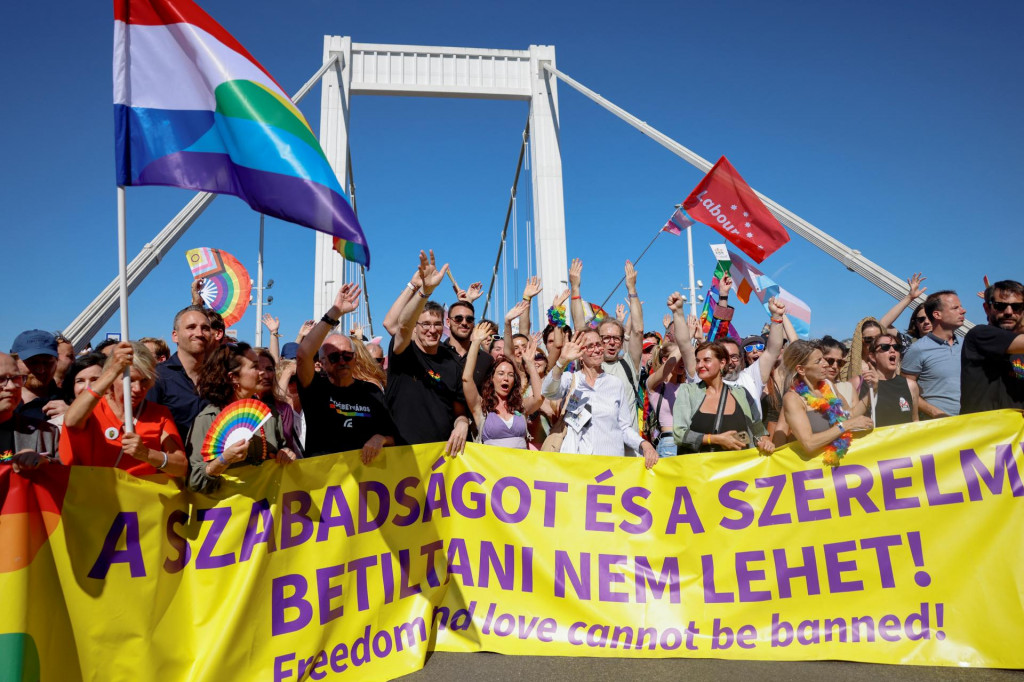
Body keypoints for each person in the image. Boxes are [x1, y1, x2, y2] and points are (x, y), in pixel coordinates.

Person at [297, 283, 400, 462]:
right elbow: (303, 355)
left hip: (366, 482)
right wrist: (335, 312)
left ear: (355, 358)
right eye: (335, 357)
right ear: (322, 362)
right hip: (325, 482)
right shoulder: (315, 389)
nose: (342, 361)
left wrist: (380, 439)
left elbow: (394, 436)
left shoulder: (372, 391)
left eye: (347, 355)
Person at [384, 251, 471, 453]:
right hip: (401, 455)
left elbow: (458, 410)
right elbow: (401, 326)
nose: (432, 330)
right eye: (425, 324)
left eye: (437, 324)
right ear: (415, 327)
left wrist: (462, 423)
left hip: (440, 458)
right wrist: (423, 290)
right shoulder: (403, 352)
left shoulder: (451, 361)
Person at [61, 342, 187, 477]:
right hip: (95, 495)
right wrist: (112, 370)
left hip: (141, 496)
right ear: (112, 378)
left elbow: (181, 467)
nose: (138, 388)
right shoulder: (91, 410)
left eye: (144, 380)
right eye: (130, 380)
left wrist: (147, 454)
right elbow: (71, 421)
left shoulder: (159, 414)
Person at [188, 343, 298, 493]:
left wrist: (285, 453)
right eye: (254, 367)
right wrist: (223, 461)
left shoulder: (270, 414)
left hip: (267, 509)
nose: (262, 373)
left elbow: (282, 447)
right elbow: (195, 481)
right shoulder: (208, 419)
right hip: (227, 511)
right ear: (233, 377)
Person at [542, 329, 658, 468]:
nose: (597, 349)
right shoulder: (571, 380)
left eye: (599, 344)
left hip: (610, 466)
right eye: (590, 346)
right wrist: (561, 362)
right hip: (577, 466)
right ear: (580, 354)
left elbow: (624, 427)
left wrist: (644, 444)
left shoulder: (615, 384)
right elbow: (548, 391)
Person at [671, 341, 774, 456]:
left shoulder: (742, 394)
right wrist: (716, 439)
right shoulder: (688, 392)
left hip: (738, 469)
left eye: (706, 360)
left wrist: (764, 440)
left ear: (722, 363)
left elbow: (758, 429)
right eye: (698, 361)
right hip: (701, 471)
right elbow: (679, 434)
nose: (700, 365)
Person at [781, 341, 873, 465]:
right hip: (813, 469)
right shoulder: (793, 398)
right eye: (818, 361)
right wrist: (846, 426)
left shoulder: (828, 385)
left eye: (823, 359)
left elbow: (849, 415)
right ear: (801, 369)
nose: (825, 364)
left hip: (838, 465)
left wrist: (873, 390)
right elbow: (809, 443)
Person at [463, 326, 544, 448]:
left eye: (510, 374)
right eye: (500, 373)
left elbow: (538, 398)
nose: (506, 378)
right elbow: (467, 379)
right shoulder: (481, 407)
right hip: (492, 466)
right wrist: (475, 343)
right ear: (492, 378)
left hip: (521, 465)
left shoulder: (520, 406)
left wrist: (530, 363)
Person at [148, 305, 213, 440]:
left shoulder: (219, 377)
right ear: (175, 336)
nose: (199, 333)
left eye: (205, 328)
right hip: (172, 458)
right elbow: (149, 428)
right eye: (191, 327)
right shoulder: (157, 377)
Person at [718, 297, 788, 421]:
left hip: (750, 438)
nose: (729, 361)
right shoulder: (708, 379)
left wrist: (777, 317)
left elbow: (773, 350)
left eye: (734, 356)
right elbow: (686, 346)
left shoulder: (750, 377)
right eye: (724, 357)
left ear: (740, 358)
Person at [960, 280, 1024, 414]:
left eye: (1017, 307)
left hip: (1016, 432)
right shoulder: (979, 334)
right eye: (1000, 306)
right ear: (987, 308)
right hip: (983, 432)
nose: (1009, 312)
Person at [901, 290, 965, 419]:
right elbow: (904, 388)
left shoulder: (968, 345)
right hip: (938, 427)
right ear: (937, 314)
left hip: (971, 422)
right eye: (955, 308)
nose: (963, 311)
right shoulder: (917, 349)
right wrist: (934, 412)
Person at [0, 351, 58, 474]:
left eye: (16, 378)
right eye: (1, 379)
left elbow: (67, 478)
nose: (11, 386)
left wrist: (45, 463)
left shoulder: (47, 432)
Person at [859, 334, 918, 426]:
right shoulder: (859, 383)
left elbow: (915, 421)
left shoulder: (911, 385)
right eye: (885, 347)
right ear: (873, 356)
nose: (892, 350)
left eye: (896, 347)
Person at [254, 348, 303, 456]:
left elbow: (287, 446)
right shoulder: (231, 405)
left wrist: (287, 453)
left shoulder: (283, 409)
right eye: (257, 368)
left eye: (269, 369)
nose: (265, 374)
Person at [10, 329, 65, 422]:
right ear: (14, 361)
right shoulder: (4, 399)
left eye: (47, 362)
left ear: (56, 361)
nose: (41, 369)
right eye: (32, 362)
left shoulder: (69, 401)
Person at [445, 299, 493, 387]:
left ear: (473, 323)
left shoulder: (486, 360)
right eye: (458, 319)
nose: (464, 323)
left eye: (469, 319)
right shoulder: (436, 352)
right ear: (448, 322)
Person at [50, 353, 107, 427]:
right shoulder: (56, 427)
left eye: (95, 380)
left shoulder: (125, 419)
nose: (87, 387)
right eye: (80, 381)